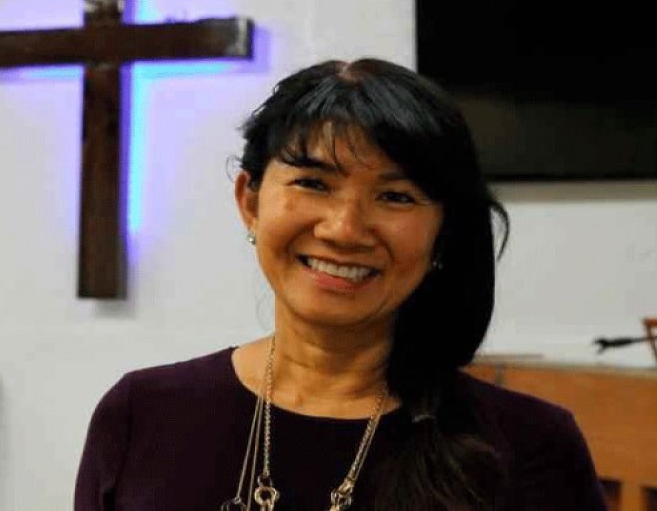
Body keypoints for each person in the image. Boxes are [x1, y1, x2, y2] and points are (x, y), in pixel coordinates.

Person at [74, 58, 607, 510]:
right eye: (313, 183)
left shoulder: (532, 447)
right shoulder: (142, 415)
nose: (345, 229)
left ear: (443, 233)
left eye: (395, 196)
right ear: (250, 201)